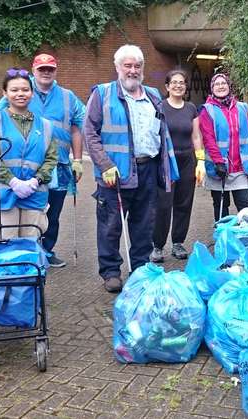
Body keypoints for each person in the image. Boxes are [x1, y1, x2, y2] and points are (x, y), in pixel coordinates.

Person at [84, 44, 179, 293]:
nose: (133, 70)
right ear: (117, 67)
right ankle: (111, 272)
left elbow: (162, 134)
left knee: (144, 225)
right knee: (110, 226)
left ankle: (139, 268)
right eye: (128, 65)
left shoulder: (153, 95)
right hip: (115, 173)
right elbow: (89, 133)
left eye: (137, 66)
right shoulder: (102, 94)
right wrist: (104, 164)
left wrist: (166, 170)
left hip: (148, 170)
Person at [0, 53, 86, 268]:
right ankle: (21, 253)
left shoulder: (68, 96)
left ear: (55, 71)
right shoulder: (21, 89)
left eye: (50, 69)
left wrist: (77, 160)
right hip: (26, 168)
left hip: (59, 165)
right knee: (25, 209)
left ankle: (47, 250)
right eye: (41, 69)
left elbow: (78, 125)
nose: (46, 72)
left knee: (53, 212)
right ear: (34, 70)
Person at [0, 67, 58, 240]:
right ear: (4, 93)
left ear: (32, 93)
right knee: (5, 248)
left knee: (30, 247)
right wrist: (13, 182)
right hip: (5, 195)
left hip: (34, 195)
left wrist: (35, 181)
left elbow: (51, 158)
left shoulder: (46, 126)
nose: (20, 94)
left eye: (25, 89)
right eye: (14, 90)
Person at [150, 70, 205, 262]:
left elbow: (196, 136)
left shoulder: (191, 108)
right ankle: (157, 246)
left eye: (181, 82)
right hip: (166, 162)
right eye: (174, 82)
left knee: (184, 203)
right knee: (163, 204)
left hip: (187, 161)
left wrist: (201, 162)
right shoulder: (160, 107)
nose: (178, 85)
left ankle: (178, 243)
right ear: (167, 87)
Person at [199, 73, 248, 222]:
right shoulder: (207, 110)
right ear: (212, 88)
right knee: (221, 208)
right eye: (216, 84)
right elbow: (208, 139)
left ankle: (247, 239)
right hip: (219, 169)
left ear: (229, 86)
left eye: (223, 83)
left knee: (246, 208)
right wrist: (218, 162)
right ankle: (222, 239)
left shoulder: (242, 108)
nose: (220, 86)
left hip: (240, 169)